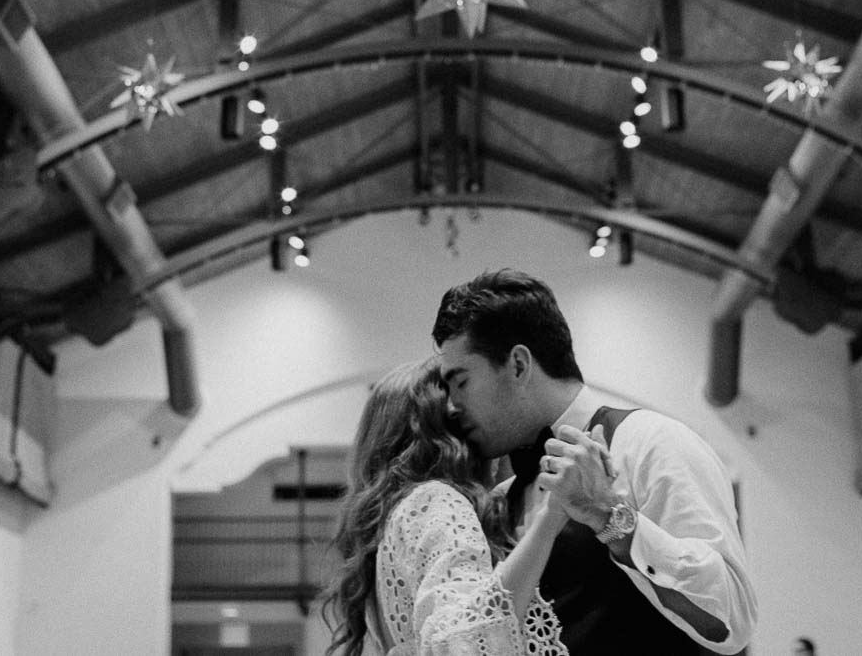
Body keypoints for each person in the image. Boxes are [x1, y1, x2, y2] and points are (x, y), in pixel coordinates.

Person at [432, 269, 757, 655]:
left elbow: (733, 618)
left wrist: (611, 517)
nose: (452, 406)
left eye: (461, 381)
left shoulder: (651, 443)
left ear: (519, 365)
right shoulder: (503, 496)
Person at [323, 358, 571, 656]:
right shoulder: (436, 502)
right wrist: (550, 520)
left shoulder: (395, 517)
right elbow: (467, 643)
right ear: (449, 435)